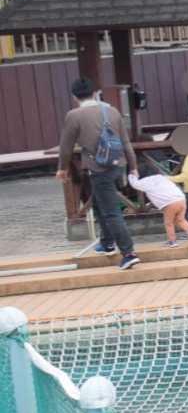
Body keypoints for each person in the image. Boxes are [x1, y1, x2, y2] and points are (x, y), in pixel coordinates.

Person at [56, 79, 140, 270]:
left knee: (112, 212)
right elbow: (126, 142)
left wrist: (62, 168)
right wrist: (133, 166)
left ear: (74, 97)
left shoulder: (74, 116)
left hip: (99, 167)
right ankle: (107, 243)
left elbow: (66, 146)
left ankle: (129, 253)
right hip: (119, 164)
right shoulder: (112, 111)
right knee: (97, 202)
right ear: (95, 93)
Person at [127, 159, 188, 247]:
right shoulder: (162, 177)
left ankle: (172, 241)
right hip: (181, 199)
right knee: (180, 219)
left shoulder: (146, 182)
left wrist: (132, 174)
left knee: (169, 223)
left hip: (169, 203)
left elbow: (134, 184)